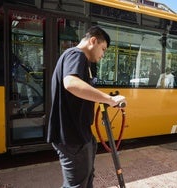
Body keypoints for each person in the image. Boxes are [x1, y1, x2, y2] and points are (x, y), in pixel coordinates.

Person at [47, 26, 126, 188]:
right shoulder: (76, 55)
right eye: (103, 49)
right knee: (76, 185)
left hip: (78, 135)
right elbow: (70, 83)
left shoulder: (76, 58)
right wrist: (109, 99)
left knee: (85, 180)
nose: (102, 55)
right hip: (72, 137)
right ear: (93, 41)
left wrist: (103, 99)